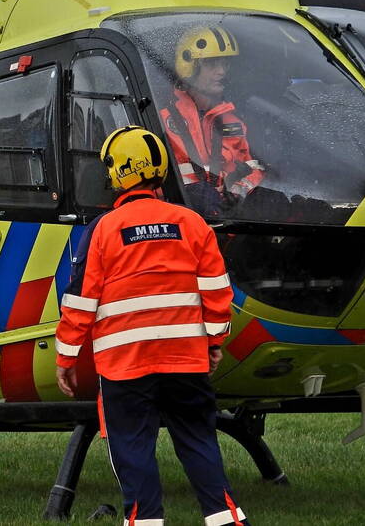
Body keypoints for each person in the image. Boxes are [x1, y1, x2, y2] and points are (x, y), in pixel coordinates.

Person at [55, 125, 249, 526]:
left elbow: (80, 302)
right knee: (198, 441)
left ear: (119, 173)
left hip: (125, 366)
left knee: (132, 447)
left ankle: (144, 521)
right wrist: (213, 345)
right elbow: (217, 294)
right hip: (185, 361)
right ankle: (226, 518)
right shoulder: (192, 223)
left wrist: (66, 357)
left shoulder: (102, 231)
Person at [160, 26, 263, 215]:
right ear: (189, 66)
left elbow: (255, 168)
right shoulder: (162, 119)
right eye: (212, 63)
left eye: (225, 64)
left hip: (229, 225)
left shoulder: (235, 123)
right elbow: (150, 180)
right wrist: (188, 194)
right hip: (181, 222)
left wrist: (238, 191)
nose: (222, 71)